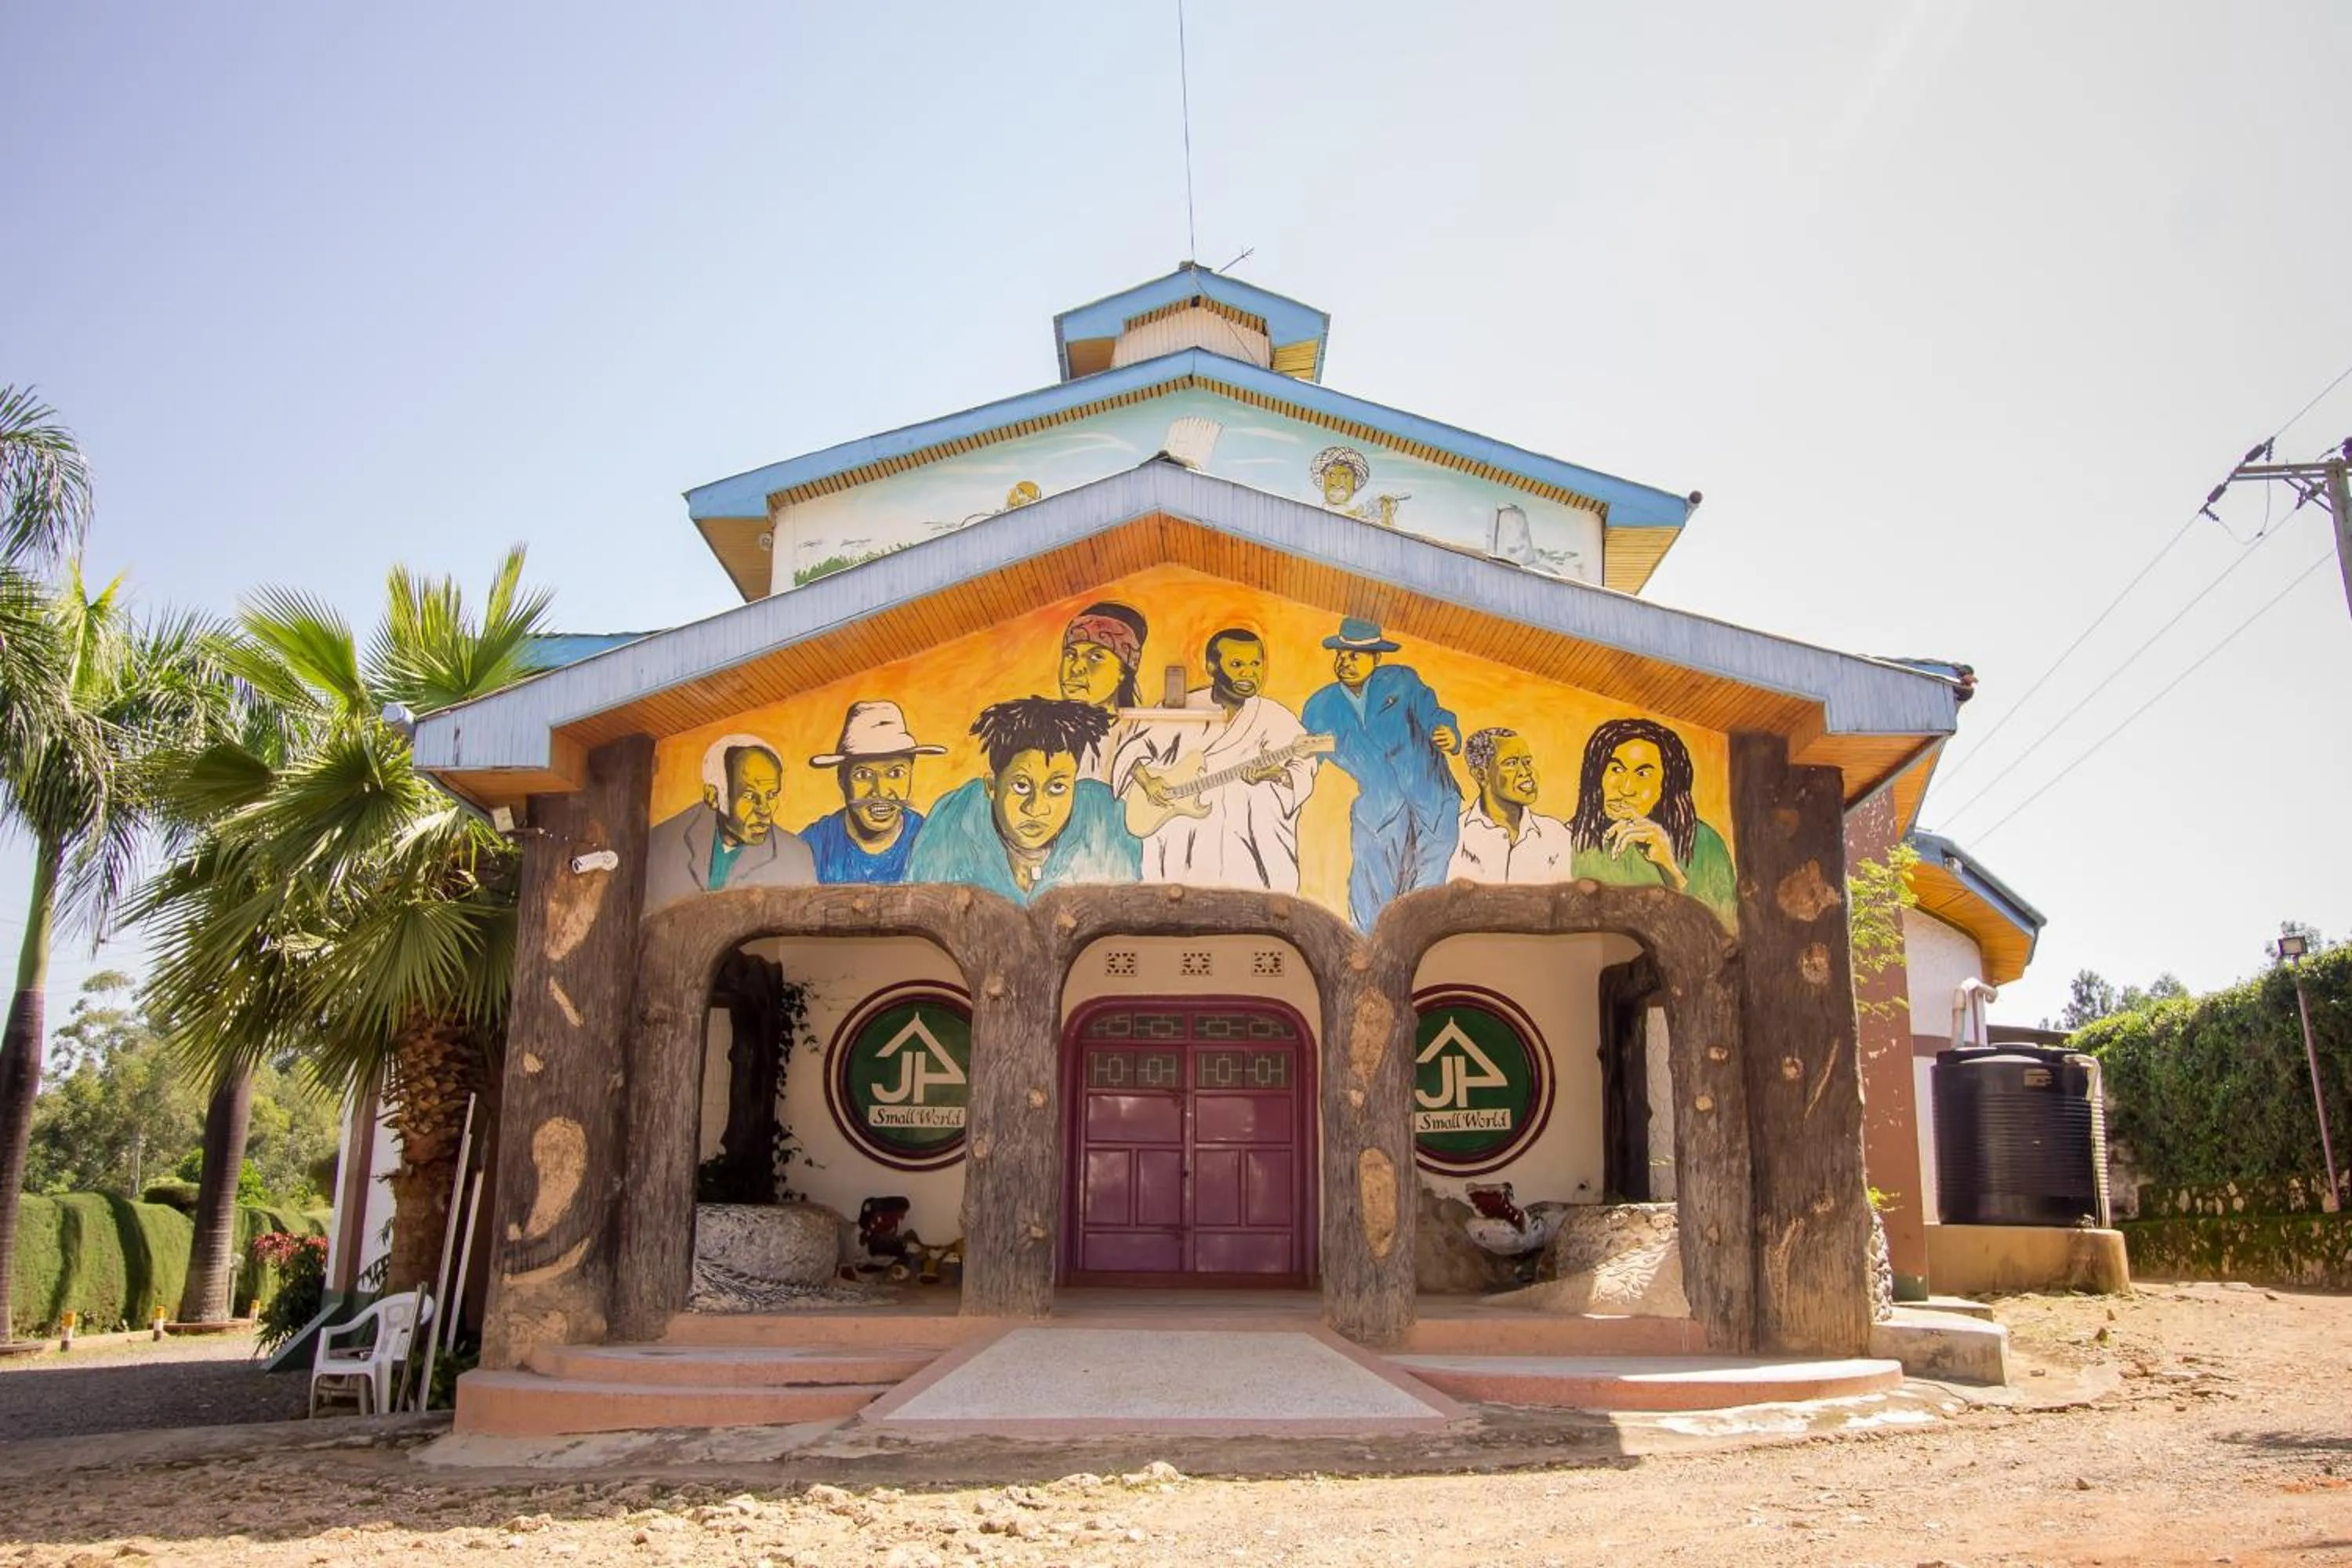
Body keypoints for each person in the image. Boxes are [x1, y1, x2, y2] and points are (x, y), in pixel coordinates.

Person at [1118, 628, 1319, 892]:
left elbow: (1302, 767)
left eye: (1255, 664)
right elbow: (1130, 749)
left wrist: (1276, 774)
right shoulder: (1179, 709)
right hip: (1183, 847)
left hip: (1249, 850)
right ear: (1212, 667)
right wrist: (1148, 782)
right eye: (1237, 664)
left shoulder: (1276, 718)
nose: (1248, 673)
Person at [1301, 618, 1461, 929]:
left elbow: (1434, 713)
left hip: (1433, 800)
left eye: (1354, 656)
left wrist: (1448, 733)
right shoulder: (1320, 707)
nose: (1345, 663)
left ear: (1375, 658)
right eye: (1340, 655)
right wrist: (1285, 771)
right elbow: (1306, 759)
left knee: (1425, 898)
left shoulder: (1401, 681)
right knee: (1370, 900)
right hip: (1378, 810)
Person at [906, 697, 1139, 902]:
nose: (1036, 808)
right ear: (992, 787)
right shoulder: (951, 822)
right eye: (1021, 786)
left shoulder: (1107, 821)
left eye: (1057, 787)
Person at [1565, 717, 1737, 923]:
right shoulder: (1569, 839)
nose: (1626, 788)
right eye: (1617, 769)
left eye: (1643, 774)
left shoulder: (1704, 843)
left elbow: (1725, 930)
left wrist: (1672, 873)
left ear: (1667, 785)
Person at [644, 735, 815, 911]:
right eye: (749, 796)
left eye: (771, 795)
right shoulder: (662, 843)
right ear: (713, 796)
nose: (765, 810)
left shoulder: (796, 857)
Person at [799, 700, 946, 884]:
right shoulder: (812, 847)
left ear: (911, 774)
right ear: (842, 780)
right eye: (864, 775)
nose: (881, 791)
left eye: (895, 773)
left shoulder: (930, 841)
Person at [1446, 727, 1571, 884]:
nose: (1526, 772)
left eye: (1527, 762)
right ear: (1481, 775)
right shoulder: (1453, 835)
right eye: (1511, 763)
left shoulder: (1556, 835)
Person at [1055, 601, 1149, 785]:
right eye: (1070, 655)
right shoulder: (1047, 737)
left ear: (1123, 672)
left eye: (1096, 657)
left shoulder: (1139, 737)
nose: (1076, 668)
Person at [1308, 444, 1407, 528]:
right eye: (1331, 475)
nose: (1337, 483)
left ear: (1355, 483)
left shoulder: (1363, 516)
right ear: (1323, 479)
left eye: (1345, 477)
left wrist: (1387, 513)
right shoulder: (1314, 515)